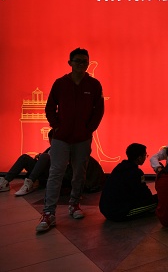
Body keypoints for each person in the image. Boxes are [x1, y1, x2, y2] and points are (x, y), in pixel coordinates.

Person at [37, 48, 104, 232]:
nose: (81, 64)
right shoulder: (60, 83)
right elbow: (50, 106)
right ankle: (48, 213)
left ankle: (74, 204)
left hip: (82, 138)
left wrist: (89, 129)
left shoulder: (94, 85)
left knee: (79, 173)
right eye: (78, 61)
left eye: (85, 61)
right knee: (55, 172)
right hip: (61, 138)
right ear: (70, 63)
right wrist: (56, 126)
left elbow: (99, 109)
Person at [99, 143, 157, 221]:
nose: (145, 158)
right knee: (158, 201)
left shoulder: (119, 167)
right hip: (117, 212)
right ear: (139, 158)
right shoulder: (136, 172)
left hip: (105, 209)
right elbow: (144, 193)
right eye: (145, 155)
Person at [1, 129, 53, 196]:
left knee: (44, 156)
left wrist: (46, 157)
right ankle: (5, 182)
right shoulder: (49, 149)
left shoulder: (65, 149)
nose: (51, 142)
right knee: (24, 158)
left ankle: (30, 182)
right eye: (50, 140)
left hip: (52, 172)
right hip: (42, 171)